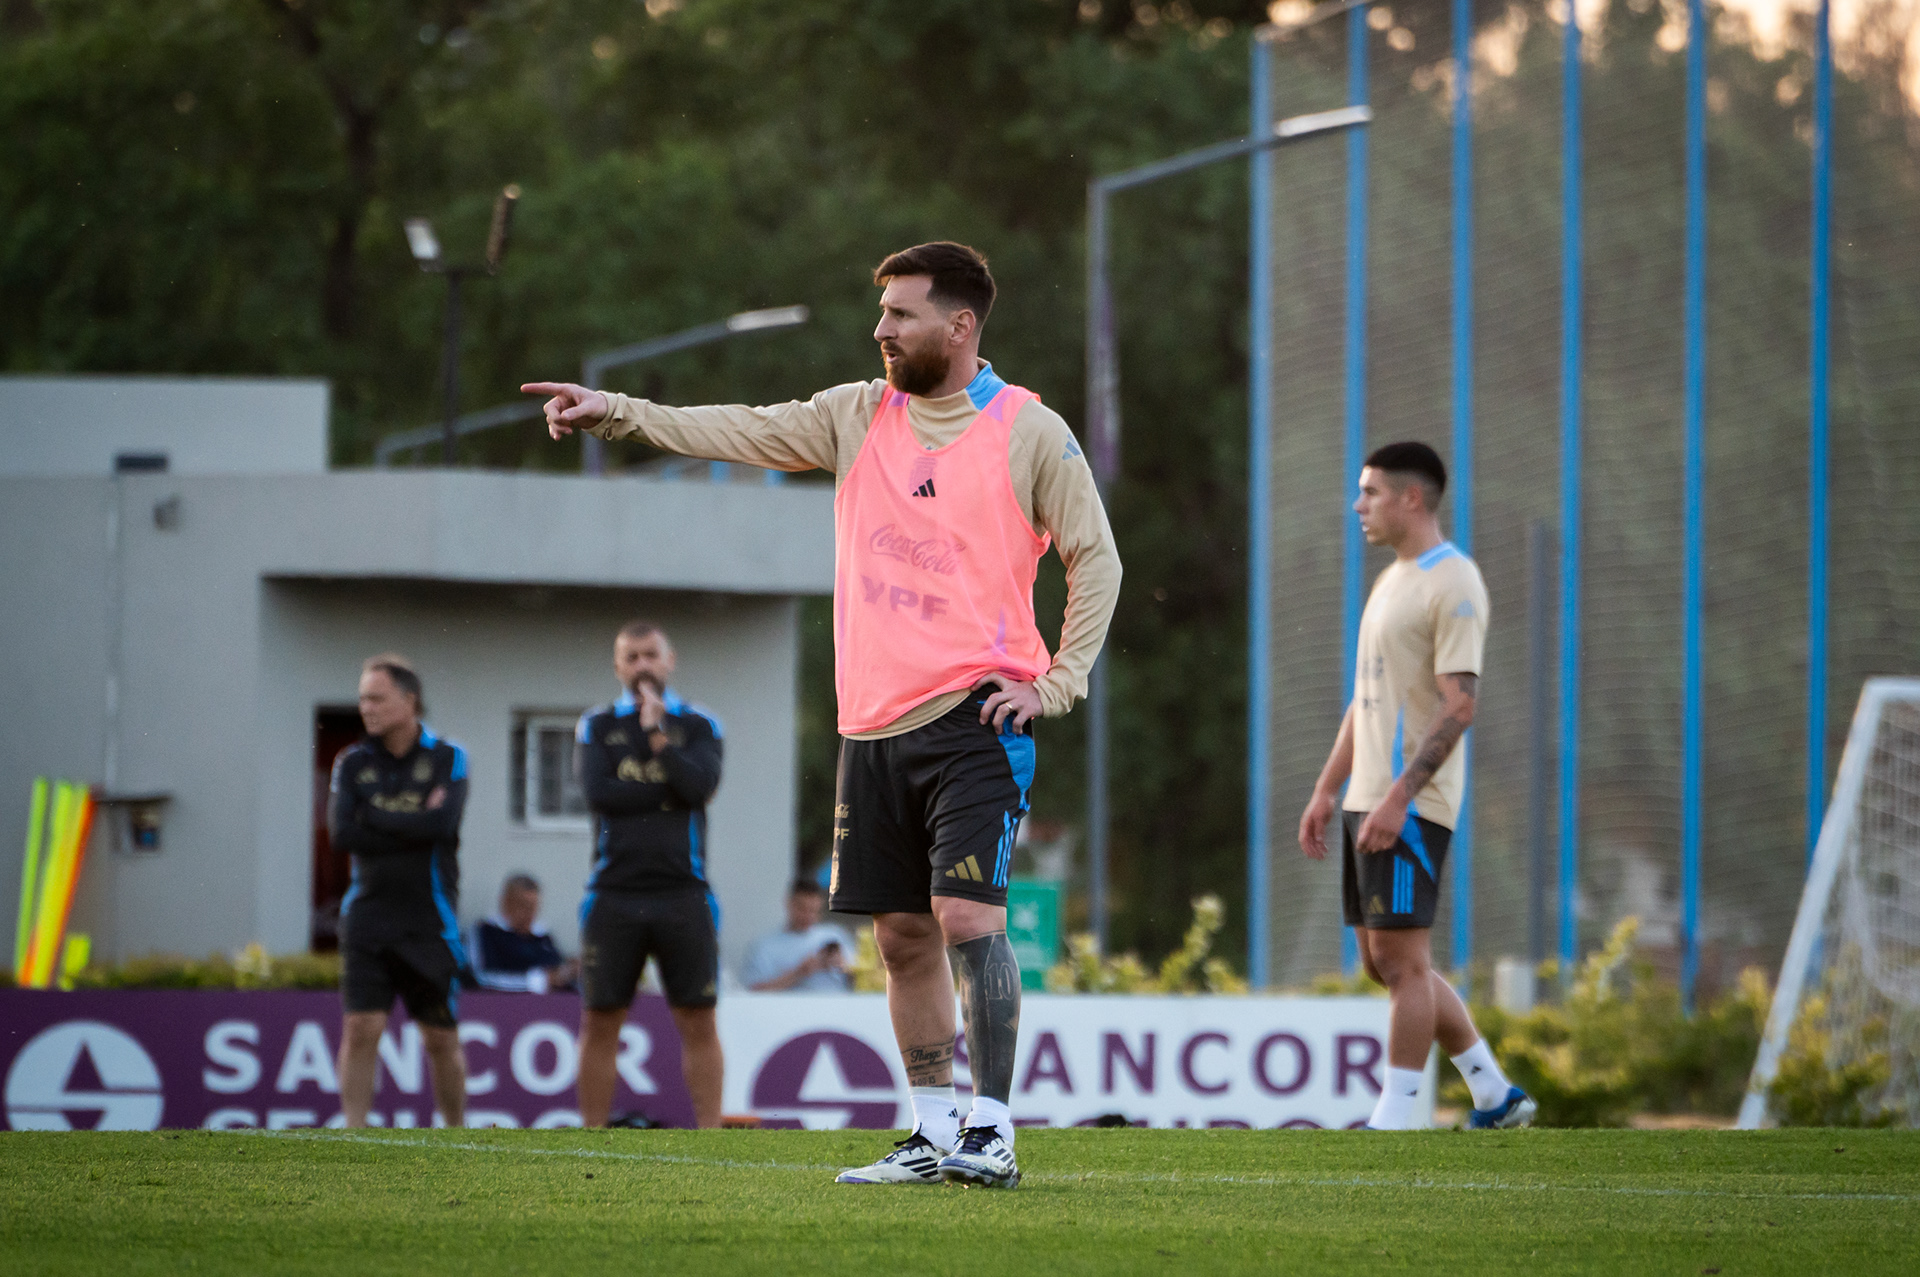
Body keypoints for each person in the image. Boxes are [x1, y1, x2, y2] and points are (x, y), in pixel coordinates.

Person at [526, 241, 1121, 1188]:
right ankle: (931, 1134)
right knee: (899, 936)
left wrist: (1056, 682)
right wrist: (620, 414)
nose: (879, 328)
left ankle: (993, 1131)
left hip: (977, 718)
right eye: (880, 312)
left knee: (967, 914)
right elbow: (742, 429)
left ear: (960, 327)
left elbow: (1098, 559)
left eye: (900, 313)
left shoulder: (1028, 429)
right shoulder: (857, 414)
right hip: (869, 727)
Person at [1296, 442, 1535, 1131]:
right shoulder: (1392, 579)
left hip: (1412, 802)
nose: (1357, 505)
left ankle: (1398, 1115)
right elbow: (1366, 697)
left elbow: (1460, 703)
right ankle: (1494, 1093)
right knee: (1384, 960)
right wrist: (1325, 789)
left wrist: (1400, 796)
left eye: (1369, 492)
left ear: (1411, 498)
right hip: (1366, 798)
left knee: (1403, 961)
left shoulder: (1453, 580)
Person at [572, 621, 726, 1129]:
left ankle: (710, 1135)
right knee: (600, 1020)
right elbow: (600, 796)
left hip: (684, 892)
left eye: (650, 655)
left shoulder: (699, 725)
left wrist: (658, 738)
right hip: (613, 893)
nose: (642, 666)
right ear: (618, 666)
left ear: (670, 659)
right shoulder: (596, 726)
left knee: (697, 1018)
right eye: (631, 657)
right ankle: (592, 1134)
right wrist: (668, 790)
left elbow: (700, 786)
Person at [327, 655, 471, 1129]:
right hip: (367, 915)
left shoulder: (448, 757)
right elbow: (343, 834)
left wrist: (377, 816)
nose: (365, 707)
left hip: (428, 919)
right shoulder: (351, 763)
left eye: (376, 698)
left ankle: (455, 1131)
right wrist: (411, 825)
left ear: (408, 701)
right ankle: (354, 1129)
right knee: (360, 1026)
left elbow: (441, 824)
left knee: (439, 1039)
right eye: (363, 698)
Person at [742, 878, 856, 992]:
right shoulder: (765, 946)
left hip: (837, 1007)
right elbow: (754, 993)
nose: (807, 916)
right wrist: (799, 973)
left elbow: (863, 985)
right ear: (788, 903)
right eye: (802, 908)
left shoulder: (836, 936)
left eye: (813, 910)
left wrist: (843, 966)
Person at [472, 873, 579, 993]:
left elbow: (556, 971)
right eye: (523, 906)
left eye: (533, 907)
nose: (529, 914)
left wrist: (569, 972)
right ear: (506, 901)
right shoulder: (486, 932)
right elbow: (482, 978)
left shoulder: (543, 937)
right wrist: (538, 982)